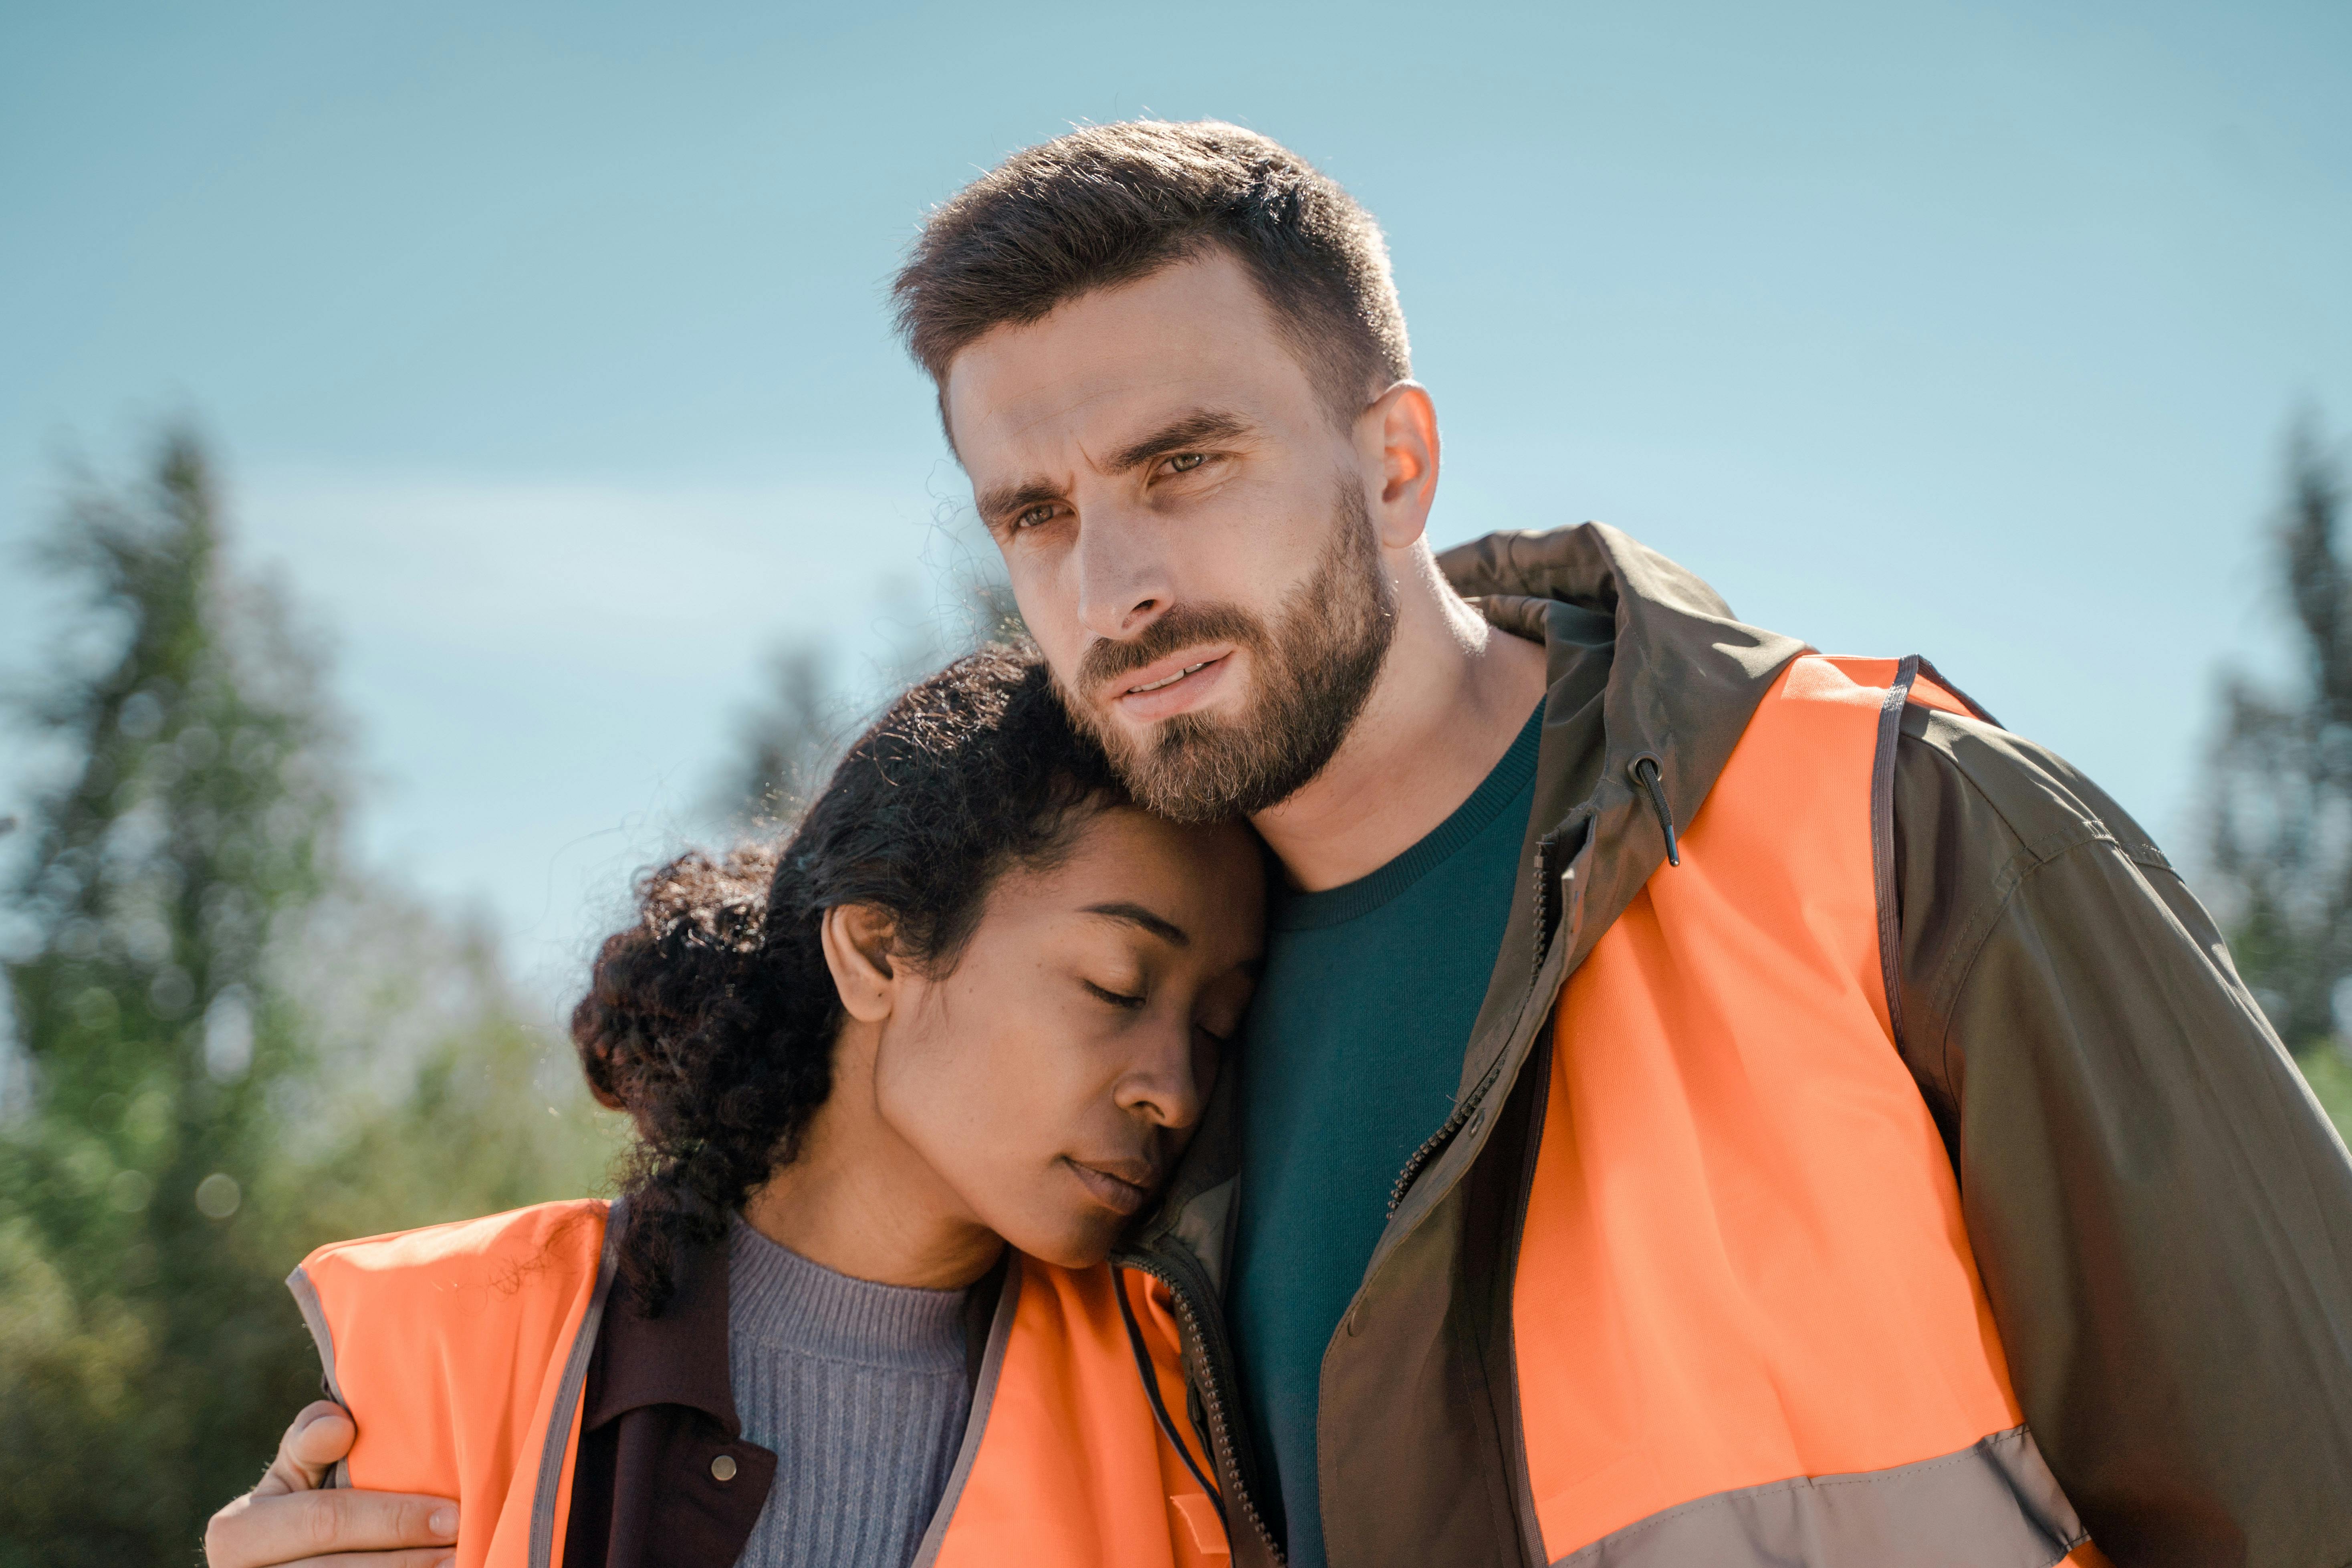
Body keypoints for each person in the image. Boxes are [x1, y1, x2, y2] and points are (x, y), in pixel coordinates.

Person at [212, 122, 2352, 1568]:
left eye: (1184, 461)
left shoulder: (1879, 823)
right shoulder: (1132, 1115)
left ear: (1394, 457)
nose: (1111, 581)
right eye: (1035, 515)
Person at [216, 647, 1262, 1568]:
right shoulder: (461, 1348)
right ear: (876, 948)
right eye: (1118, 985)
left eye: (1216, 1027)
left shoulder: (1193, 1414)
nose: (1172, 1089)